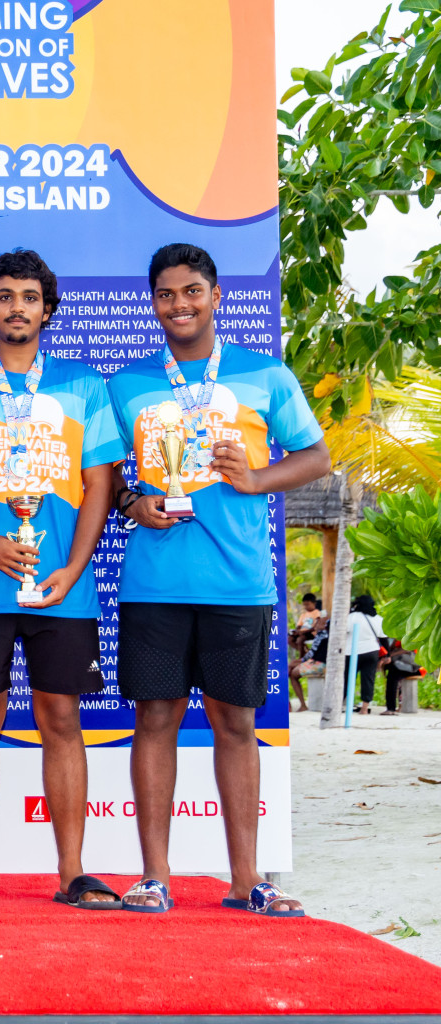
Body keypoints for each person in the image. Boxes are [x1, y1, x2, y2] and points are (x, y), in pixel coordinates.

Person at [110, 243, 329, 916]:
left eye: (191, 291)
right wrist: (133, 505)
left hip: (238, 583)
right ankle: (155, 876)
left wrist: (259, 478)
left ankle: (246, 881)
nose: (179, 304)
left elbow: (317, 455)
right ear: (153, 303)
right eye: (166, 294)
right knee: (155, 722)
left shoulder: (265, 375)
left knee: (235, 726)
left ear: (216, 295)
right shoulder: (126, 385)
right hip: (155, 583)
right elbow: (108, 479)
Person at [0, 249, 126, 909]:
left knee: (60, 716)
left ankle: (72, 872)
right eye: (5, 297)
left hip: (62, 584)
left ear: (47, 309)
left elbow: (101, 484)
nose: (17, 308)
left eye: (29, 297)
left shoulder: (84, 387)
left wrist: (76, 565)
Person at [351, 594, 385, 715]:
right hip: (372, 652)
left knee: (348, 678)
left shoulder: (352, 617)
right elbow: (384, 639)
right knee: (368, 679)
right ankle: (364, 708)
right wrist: (387, 656)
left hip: (351, 652)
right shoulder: (377, 618)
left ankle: (345, 704)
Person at [288, 614, 329, 713]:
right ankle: (289, 701)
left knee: (292, 673)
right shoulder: (324, 633)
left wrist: (301, 661)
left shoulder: (322, 634)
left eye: (319, 622)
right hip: (320, 661)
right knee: (291, 666)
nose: (316, 625)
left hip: (319, 663)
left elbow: (311, 654)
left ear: (324, 625)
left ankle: (301, 704)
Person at [381, 638, 421, 715]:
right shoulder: (398, 637)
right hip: (403, 665)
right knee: (392, 674)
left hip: (414, 667)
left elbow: (406, 649)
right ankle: (394, 707)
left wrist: (390, 655)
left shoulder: (409, 635)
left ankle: (391, 708)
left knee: (392, 678)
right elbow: (392, 648)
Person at [290, 594, 320, 658]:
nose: (306, 607)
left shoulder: (316, 612)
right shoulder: (303, 614)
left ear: (314, 603)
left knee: (300, 639)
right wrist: (297, 631)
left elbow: (315, 627)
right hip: (302, 633)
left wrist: (303, 632)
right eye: (304, 605)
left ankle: (301, 657)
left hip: (310, 633)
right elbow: (299, 625)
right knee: (289, 639)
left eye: (308, 604)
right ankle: (305, 652)